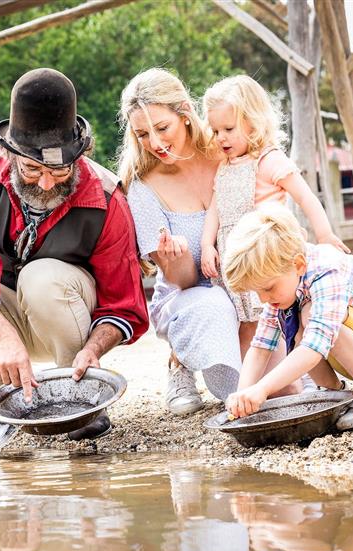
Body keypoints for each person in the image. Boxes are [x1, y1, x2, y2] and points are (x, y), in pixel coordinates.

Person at [0, 68, 149, 442]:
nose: (45, 182)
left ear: (80, 154)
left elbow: (124, 305)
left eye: (59, 170)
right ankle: (5, 404)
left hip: (65, 313)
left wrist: (93, 348)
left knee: (42, 277)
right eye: (32, 168)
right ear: (9, 153)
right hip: (3, 314)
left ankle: (80, 403)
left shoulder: (106, 198)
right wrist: (3, 337)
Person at [119, 68, 245, 416]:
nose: (155, 144)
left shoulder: (228, 151)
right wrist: (176, 257)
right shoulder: (143, 186)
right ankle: (183, 365)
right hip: (190, 293)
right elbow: (183, 281)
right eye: (142, 134)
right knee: (214, 303)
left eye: (162, 128)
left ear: (185, 113)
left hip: (249, 283)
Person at [199, 75, 348, 348]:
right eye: (216, 130)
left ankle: (289, 377)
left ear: (253, 122)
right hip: (236, 255)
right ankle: (254, 381)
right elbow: (215, 210)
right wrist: (207, 244)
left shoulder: (268, 160)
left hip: (265, 253)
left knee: (274, 315)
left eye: (229, 129)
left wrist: (324, 234)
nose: (221, 138)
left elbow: (305, 197)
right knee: (246, 323)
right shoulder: (224, 167)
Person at [223, 202, 353, 429]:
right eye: (257, 292)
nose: (263, 299)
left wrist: (262, 389)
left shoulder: (327, 270)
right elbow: (260, 348)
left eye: (267, 288)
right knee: (294, 319)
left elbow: (315, 345)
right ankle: (334, 395)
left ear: (298, 264)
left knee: (308, 315)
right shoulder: (286, 280)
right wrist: (243, 395)